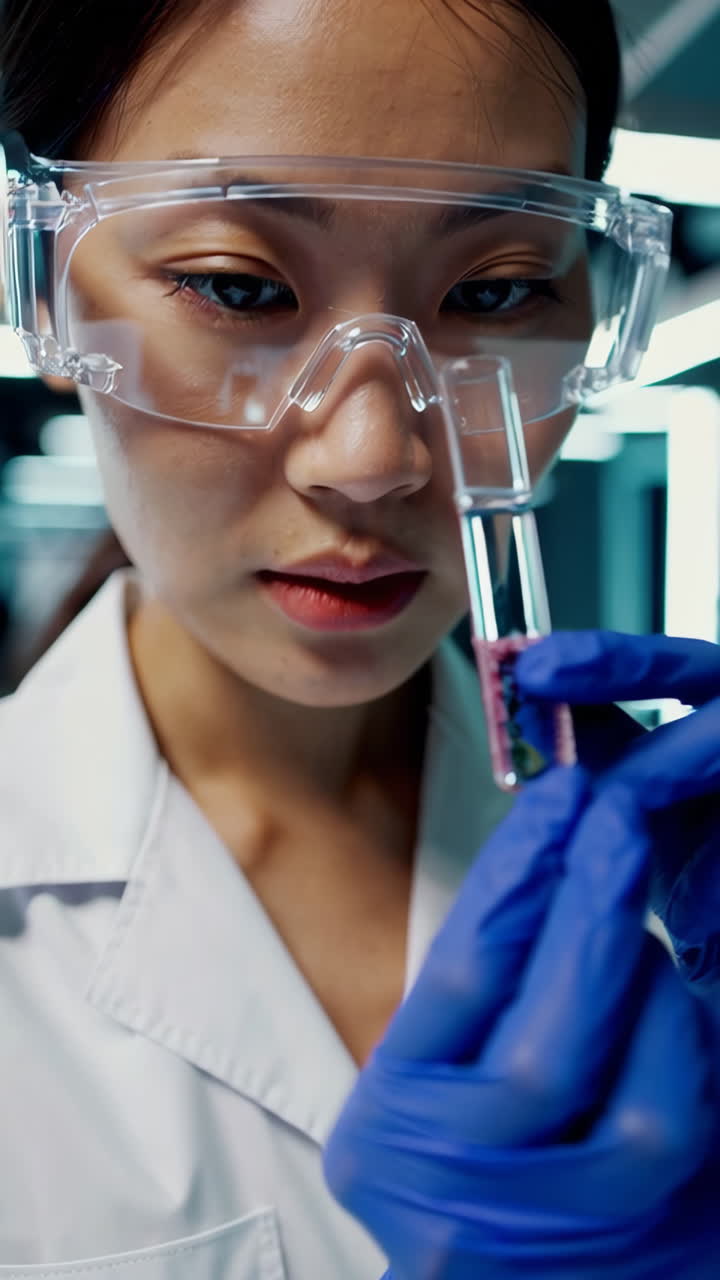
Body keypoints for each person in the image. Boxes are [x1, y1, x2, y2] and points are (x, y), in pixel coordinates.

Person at [0, 2, 718, 1277]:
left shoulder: (687, 898)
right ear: (44, 283)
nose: (374, 457)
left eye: (495, 289)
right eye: (237, 287)